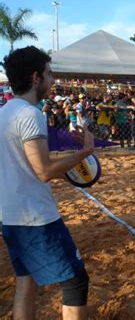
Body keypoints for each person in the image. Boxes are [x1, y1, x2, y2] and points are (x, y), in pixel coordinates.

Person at [0, 46, 95, 320]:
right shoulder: (31, 115)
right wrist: (84, 153)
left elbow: (27, 163)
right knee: (75, 281)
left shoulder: (5, 113)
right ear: (34, 78)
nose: (52, 80)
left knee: (27, 280)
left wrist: (67, 159)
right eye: (48, 74)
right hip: (35, 219)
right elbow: (43, 171)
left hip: (10, 216)